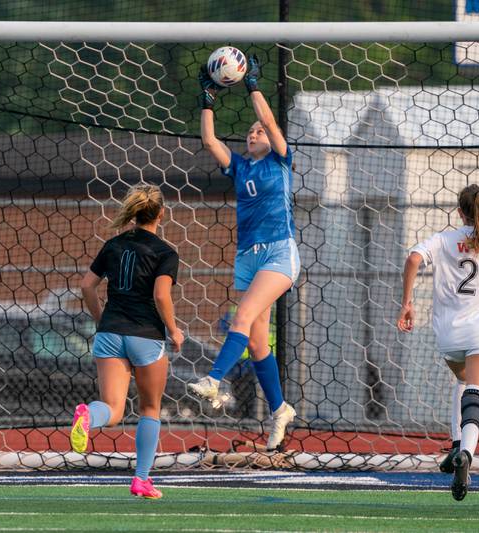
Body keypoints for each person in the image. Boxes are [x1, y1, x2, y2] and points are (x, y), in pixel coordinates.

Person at [187, 55, 299, 451]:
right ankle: (281, 408)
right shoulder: (240, 167)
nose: (253, 134)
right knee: (256, 344)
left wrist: (252, 85)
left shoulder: (280, 161)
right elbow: (209, 141)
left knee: (244, 315)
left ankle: (214, 380)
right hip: (249, 256)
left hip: (279, 254)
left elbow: (269, 122)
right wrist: (207, 101)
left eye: (258, 131)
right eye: (249, 132)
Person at [396, 184, 479, 501]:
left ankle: (456, 443)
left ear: (460, 212)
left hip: (449, 335)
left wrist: (407, 303)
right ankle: (467, 454)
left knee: (464, 380)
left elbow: (413, 258)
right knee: (476, 393)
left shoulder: (445, 240)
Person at [72, 183, 183, 500]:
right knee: (150, 408)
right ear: (161, 214)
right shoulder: (165, 252)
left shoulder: (113, 245)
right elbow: (161, 294)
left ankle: (88, 416)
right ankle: (142, 480)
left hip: (110, 332)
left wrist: (100, 320)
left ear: (133, 213)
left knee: (112, 409)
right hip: (145, 335)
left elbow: (87, 286)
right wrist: (174, 330)